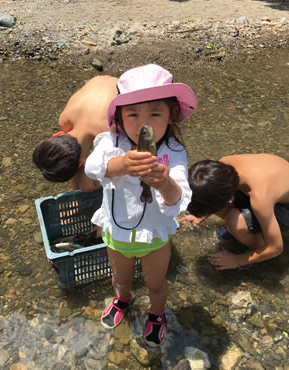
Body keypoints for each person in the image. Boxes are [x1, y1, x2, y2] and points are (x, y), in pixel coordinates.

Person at [84, 64, 197, 346]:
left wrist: (164, 182)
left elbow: (179, 199)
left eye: (155, 113)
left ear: (171, 115)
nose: (143, 122)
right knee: (120, 280)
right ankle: (123, 300)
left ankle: (157, 313)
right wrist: (120, 164)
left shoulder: (173, 152)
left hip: (155, 238)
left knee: (156, 283)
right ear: (120, 117)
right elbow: (92, 167)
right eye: (133, 113)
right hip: (117, 235)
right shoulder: (111, 141)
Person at [181, 154, 289, 270]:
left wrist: (238, 260)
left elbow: (276, 247)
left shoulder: (261, 199)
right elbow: (213, 191)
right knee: (225, 210)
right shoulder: (224, 164)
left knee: (235, 221)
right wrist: (202, 214)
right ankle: (247, 231)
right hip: (277, 188)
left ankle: (258, 246)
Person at [32, 75, 118, 191]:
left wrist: (84, 174)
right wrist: (80, 175)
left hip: (124, 86)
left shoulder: (110, 134)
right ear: (57, 135)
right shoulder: (65, 120)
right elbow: (73, 155)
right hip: (99, 81)